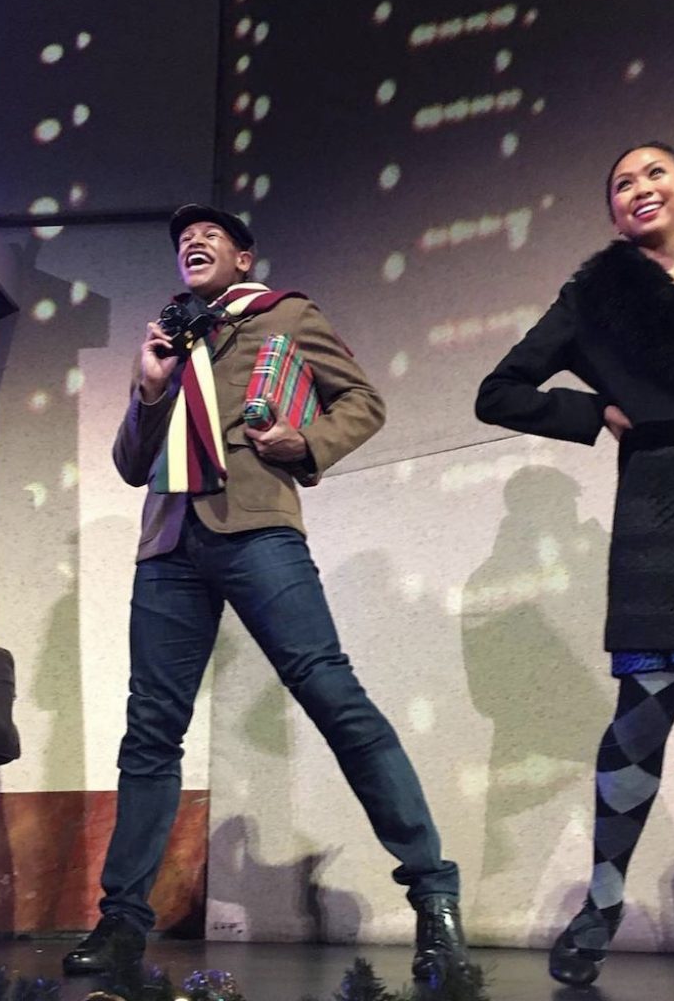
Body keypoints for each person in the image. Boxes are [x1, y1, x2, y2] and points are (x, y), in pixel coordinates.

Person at [63, 205, 476, 994]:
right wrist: (148, 391)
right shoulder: (166, 337)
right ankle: (120, 923)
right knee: (151, 730)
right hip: (169, 544)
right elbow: (127, 463)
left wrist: (307, 445)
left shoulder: (286, 314)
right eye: (184, 237)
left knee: (332, 695)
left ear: (244, 254)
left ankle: (433, 892)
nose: (193, 240)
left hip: (257, 531)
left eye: (211, 233)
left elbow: (362, 399)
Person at [475, 142, 674, 986]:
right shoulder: (594, 300)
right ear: (613, 213)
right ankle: (601, 906)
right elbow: (498, 391)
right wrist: (596, 413)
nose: (639, 188)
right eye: (621, 183)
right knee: (638, 727)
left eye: (655, 175)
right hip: (666, 524)